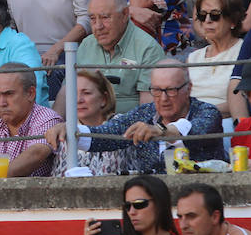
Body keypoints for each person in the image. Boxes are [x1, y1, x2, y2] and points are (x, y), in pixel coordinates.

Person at [59, 60, 227, 174]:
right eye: (156, 90)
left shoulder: (207, 112)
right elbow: (106, 135)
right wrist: (70, 131)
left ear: (188, 89)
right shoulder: (144, 113)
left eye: (171, 90)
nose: (163, 98)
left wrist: (160, 131)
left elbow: (194, 130)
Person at [72, 0, 163, 114]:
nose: (98, 26)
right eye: (93, 19)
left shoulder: (148, 48)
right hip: (85, 127)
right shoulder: (87, 45)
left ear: (125, 14)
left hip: (127, 128)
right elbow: (67, 91)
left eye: (105, 17)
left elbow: (148, 109)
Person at [185, 0, 248, 119]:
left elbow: (245, 101)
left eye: (214, 15)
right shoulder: (192, 58)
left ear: (233, 20)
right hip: (189, 123)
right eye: (202, 16)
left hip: (225, 124)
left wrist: (203, 114)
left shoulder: (244, 52)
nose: (207, 21)